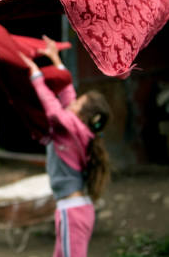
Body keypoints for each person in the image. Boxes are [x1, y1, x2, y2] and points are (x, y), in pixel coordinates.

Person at [19, 36, 111, 257]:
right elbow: (68, 95)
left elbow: (54, 111)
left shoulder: (73, 129)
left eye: (79, 103)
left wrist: (37, 76)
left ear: (84, 114)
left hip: (73, 212)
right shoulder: (78, 130)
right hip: (69, 209)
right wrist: (56, 60)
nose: (73, 101)